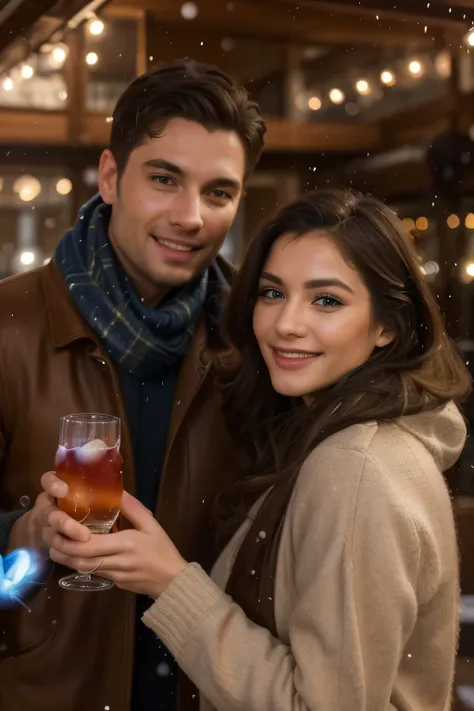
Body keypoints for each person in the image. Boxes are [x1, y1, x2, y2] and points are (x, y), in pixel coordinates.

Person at [46, 187, 471, 711]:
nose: (286, 323)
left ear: (388, 326)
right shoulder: (336, 436)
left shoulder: (355, 468)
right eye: (272, 293)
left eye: (327, 300)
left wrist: (170, 581)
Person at [0, 60, 266, 711]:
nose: (191, 216)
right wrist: (24, 539)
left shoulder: (256, 346)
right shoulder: (8, 325)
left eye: (219, 193)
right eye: (165, 179)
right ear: (112, 176)